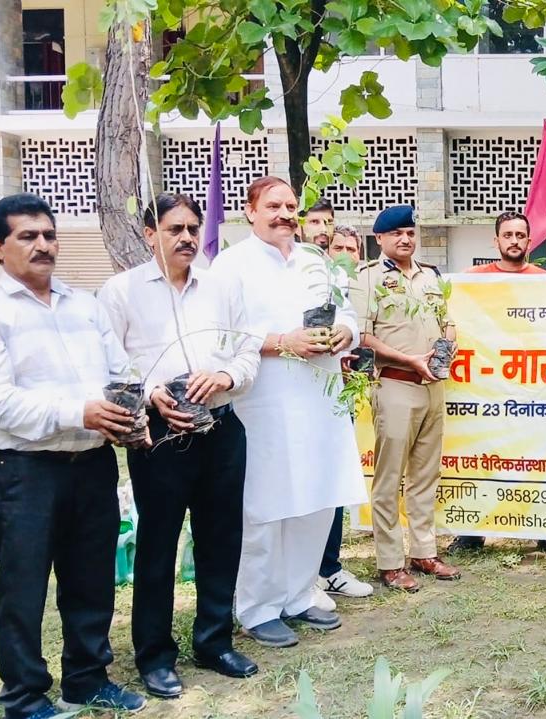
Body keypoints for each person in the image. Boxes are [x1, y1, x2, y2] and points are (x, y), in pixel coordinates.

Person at [0, 193, 148, 718]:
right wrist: (77, 412)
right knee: (22, 588)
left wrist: (126, 413)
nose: (43, 246)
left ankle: (87, 679)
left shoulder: (85, 306)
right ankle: (23, 695)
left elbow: (120, 372)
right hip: (26, 472)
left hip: (91, 466)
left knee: (90, 580)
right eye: (27, 236)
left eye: (48, 235)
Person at [97, 192, 262, 698]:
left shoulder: (222, 285)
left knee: (220, 539)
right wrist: (149, 395)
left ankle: (214, 642)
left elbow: (248, 347)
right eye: (175, 229)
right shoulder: (121, 291)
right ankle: (154, 655)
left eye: (193, 228)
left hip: (222, 427)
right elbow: (109, 363)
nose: (188, 237)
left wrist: (226, 376)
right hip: (159, 436)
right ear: (151, 235)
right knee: (158, 545)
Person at [209, 177, 367, 648]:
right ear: (249, 210)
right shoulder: (229, 266)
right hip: (264, 403)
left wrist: (344, 334)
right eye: (273, 205)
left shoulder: (316, 261)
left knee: (317, 499)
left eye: (290, 206)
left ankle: (299, 595)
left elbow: (349, 317)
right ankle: (257, 607)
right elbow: (220, 333)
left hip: (320, 400)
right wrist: (281, 342)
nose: (283, 214)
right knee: (266, 506)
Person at [449, 211, 546, 556]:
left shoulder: (544, 280)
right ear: (496, 241)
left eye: (521, 235)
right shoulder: (472, 279)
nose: (515, 241)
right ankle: (471, 532)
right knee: (480, 455)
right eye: (508, 235)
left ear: (529, 241)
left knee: (540, 456)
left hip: (533, 386)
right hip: (485, 386)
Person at [357, 205, 462, 592]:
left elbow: (446, 322)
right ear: (380, 239)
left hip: (433, 387)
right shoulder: (367, 278)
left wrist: (448, 344)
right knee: (389, 478)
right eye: (396, 233)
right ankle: (389, 562)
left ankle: (424, 551)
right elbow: (362, 338)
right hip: (396, 385)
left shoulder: (431, 275)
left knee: (425, 475)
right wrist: (408, 360)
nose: (405, 239)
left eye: (410, 232)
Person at [311, 223, 376, 607]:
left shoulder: (364, 286)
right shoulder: (311, 284)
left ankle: (329, 567)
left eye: (353, 248)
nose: (346, 254)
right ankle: (307, 574)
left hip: (345, 396)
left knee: (337, 480)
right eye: (338, 246)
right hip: (310, 396)